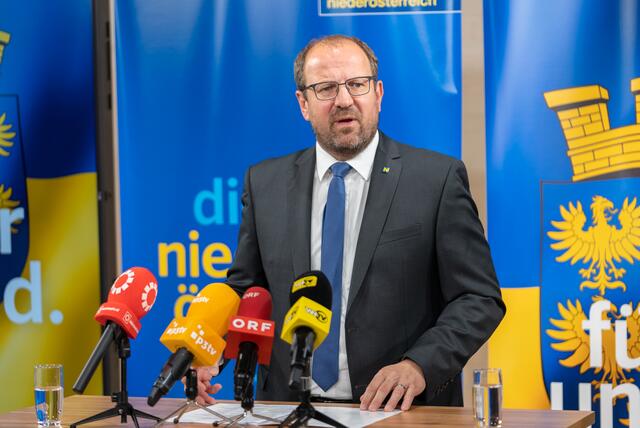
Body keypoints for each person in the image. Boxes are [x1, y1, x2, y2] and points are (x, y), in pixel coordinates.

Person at [194, 34, 505, 412]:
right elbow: (247, 291)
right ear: (303, 104)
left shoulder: (435, 180)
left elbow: (478, 298)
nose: (344, 100)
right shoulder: (265, 183)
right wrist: (210, 351)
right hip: (286, 409)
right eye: (325, 88)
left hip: (398, 412)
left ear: (378, 93)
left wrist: (419, 365)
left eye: (357, 84)